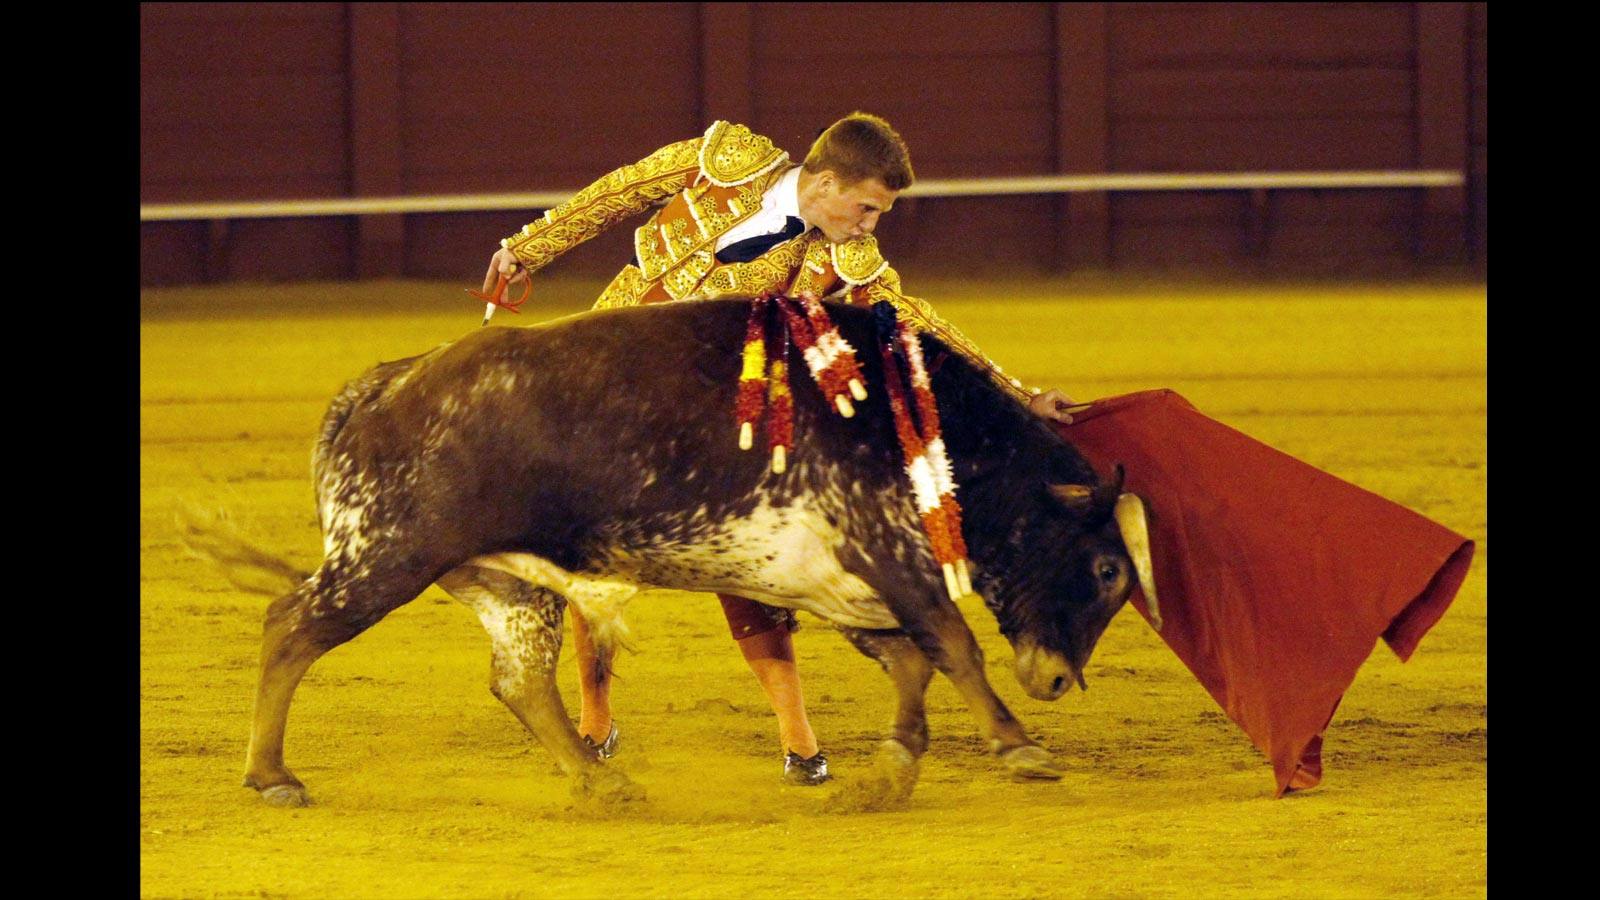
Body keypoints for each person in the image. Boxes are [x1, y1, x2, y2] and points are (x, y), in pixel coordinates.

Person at [482, 113, 1075, 785]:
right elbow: (620, 190)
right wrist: (527, 247)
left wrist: (1018, 394)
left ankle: (798, 737)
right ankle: (595, 718)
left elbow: (920, 323)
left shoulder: (842, 262)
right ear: (823, 183)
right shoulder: (722, 162)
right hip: (603, 375)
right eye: (867, 207)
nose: (870, 224)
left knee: (750, 559)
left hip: (705, 419)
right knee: (580, 548)